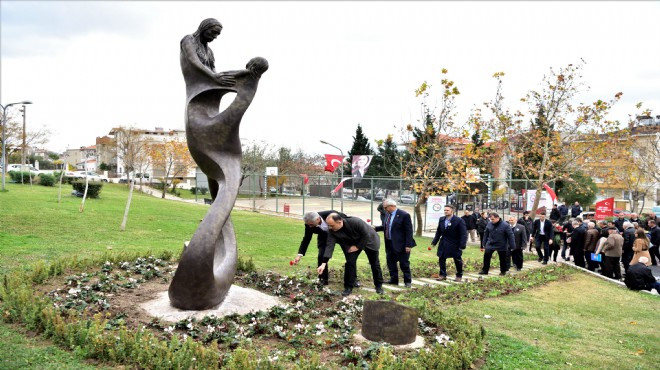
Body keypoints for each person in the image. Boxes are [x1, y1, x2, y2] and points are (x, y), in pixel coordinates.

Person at [318, 213, 384, 296]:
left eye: (332, 225)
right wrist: (323, 264)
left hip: (369, 240)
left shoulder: (355, 222)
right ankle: (348, 287)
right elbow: (329, 246)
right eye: (328, 225)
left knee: (374, 263)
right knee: (350, 262)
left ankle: (379, 286)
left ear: (339, 222)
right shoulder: (332, 230)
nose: (330, 228)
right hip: (352, 242)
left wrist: (357, 247)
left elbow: (366, 235)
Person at [293, 210, 355, 286]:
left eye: (311, 224)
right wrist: (299, 255)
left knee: (350, 256)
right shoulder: (309, 224)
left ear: (318, 219)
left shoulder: (332, 215)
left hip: (340, 235)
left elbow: (347, 223)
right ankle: (323, 280)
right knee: (321, 256)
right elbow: (306, 239)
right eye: (308, 224)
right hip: (324, 237)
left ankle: (353, 280)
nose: (310, 226)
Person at [374, 199, 415, 288]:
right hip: (389, 243)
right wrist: (375, 228)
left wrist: (408, 245)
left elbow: (409, 231)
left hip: (402, 244)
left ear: (392, 206)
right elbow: (386, 227)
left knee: (404, 263)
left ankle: (407, 281)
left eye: (386, 207)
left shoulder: (404, 215)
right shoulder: (387, 215)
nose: (384, 209)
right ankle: (394, 280)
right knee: (391, 262)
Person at [431, 205, 467, 282]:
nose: (445, 211)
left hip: (454, 243)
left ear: (452, 211)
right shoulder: (442, 219)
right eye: (444, 210)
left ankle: (459, 275)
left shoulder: (459, 220)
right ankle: (442, 275)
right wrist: (435, 241)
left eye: (447, 210)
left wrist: (462, 244)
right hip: (443, 242)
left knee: (457, 259)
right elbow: (438, 231)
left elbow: (463, 234)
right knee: (441, 258)